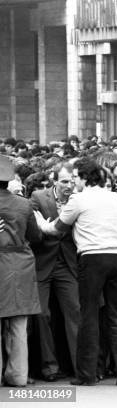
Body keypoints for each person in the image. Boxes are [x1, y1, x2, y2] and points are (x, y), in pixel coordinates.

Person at [35, 158, 117, 386]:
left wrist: (39, 221)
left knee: (88, 316)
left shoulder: (78, 200)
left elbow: (55, 228)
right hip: (116, 256)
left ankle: (86, 375)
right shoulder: (113, 197)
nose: (74, 182)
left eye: (76, 177)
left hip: (92, 259)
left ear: (85, 177)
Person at [30, 162, 80, 381]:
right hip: (43, 261)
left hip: (68, 264)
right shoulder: (38, 197)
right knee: (42, 315)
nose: (69, 185)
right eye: (64, 181)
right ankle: (49, 367)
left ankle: (80, 368)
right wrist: (42, 231)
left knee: (75, 312)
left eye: (72, 181)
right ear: (54, 180)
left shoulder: (80, 198)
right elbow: (31, 228)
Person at [0, 155, 42, 387]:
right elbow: (35, 236)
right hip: (19, 265)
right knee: (18, 325)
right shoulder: (23, 204)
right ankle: (18, 376)